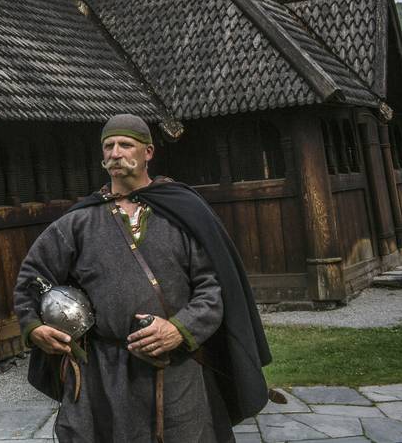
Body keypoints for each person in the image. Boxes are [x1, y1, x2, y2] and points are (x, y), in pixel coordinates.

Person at [14, 114, 271, 443]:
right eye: (109, 146)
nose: (116, 153)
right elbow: (31, 280)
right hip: (102, 375)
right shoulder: (78, 222)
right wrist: (34, 327)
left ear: (148, 152)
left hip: (177, 368)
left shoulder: (182, 211)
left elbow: (211, 289)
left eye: (126, 144)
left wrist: (178, 330)